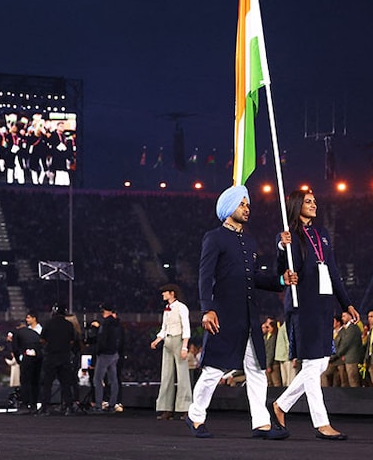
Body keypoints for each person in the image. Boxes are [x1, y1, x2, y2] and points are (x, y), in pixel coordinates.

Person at [184, 185, 294, 440]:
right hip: (223, 314)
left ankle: (261, 423)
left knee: (256, 370)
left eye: (248, 204)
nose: (247, 208)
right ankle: (195, 415)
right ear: (228, 208)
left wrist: (280, 281)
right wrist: (207, 309)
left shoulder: (250, 240)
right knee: (213, 369)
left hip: (248, 315)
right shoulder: (214, 237)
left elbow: (253, 277)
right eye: (242, 204)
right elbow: (205, 275)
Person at [273, 188, 360, 441]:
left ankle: (281, 405)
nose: (314, 205)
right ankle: (321, 423)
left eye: (314, 201)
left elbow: (332, 270)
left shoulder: (322, 234)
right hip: (302, 304)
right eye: (308, 201)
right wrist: (281, 247)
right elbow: (283, 269)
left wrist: (346, 304)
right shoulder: (288, 236)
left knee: (320, 363)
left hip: (324, 304)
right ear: (297, 204)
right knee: (312, 364)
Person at [151, 283, 192, 419]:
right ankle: (166, 408)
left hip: (178, 340)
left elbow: (186, 328)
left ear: (172, 293)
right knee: (166, 375)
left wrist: (185, 346)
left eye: (165, 292)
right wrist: (157, 340)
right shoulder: (167, 309)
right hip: (168, 341)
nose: (163, 294)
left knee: (182, 376)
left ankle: (185, 408)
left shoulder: (181, 308)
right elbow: (164, 327)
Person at [38, 304, 78, 415]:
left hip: (51, 356)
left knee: (47, 384)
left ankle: (45, 408)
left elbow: (42, 340)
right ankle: (68, 407)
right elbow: (71, 341)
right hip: (64, 357)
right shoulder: (69, 325)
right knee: (66, 384)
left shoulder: (49, 323)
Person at [90, 303, 122, 414]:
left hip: (105, 354)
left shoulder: (106, 324)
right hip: (115, 354)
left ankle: (98, 406)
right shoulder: (117, 324)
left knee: (97, 379)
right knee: (113, 380)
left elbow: (102, 339)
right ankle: (112, 405)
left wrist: (98, 351)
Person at [13, 312, 43, 414]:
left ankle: (25, 405)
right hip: (39, 357)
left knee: (25, 381)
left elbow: (15, 349)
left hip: (28, 358)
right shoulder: (32, 333)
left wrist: (19, 360)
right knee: (35, 381)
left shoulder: (17, 333)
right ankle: (33, 405)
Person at [335, 311, 364, 387]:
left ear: (350, 316)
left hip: (352, 359)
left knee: (353, 381)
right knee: (348, 381)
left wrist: (337, 355)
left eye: (344, 316)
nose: (342, 318)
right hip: (348, 358)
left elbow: (346, 343)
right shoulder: (347, 328)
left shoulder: (352, 328)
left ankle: (356, 398)